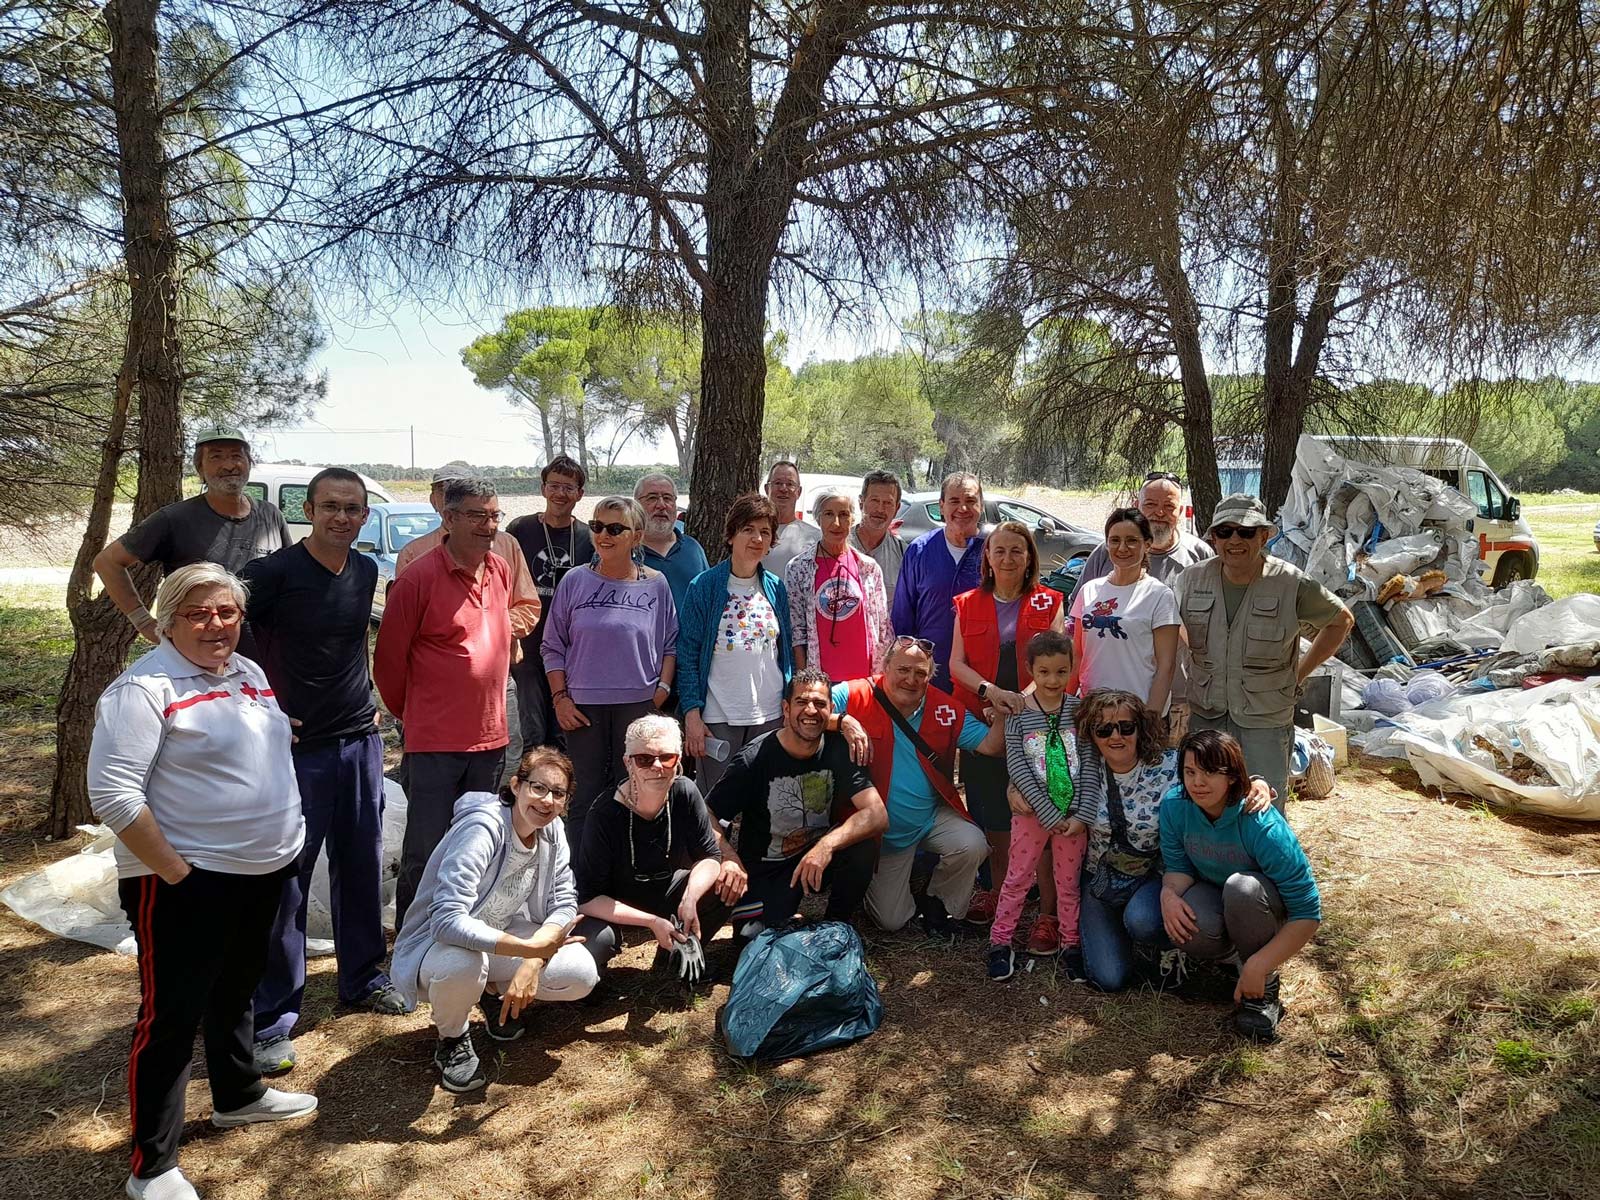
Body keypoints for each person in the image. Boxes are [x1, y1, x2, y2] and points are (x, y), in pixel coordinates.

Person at [89, 563, 316, 1200]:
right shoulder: (143, 689)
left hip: (262, 870)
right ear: (167, 622)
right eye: (197, 613)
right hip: (186, 878)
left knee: (236, 988)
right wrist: (176, 873)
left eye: (227, 612)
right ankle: (152, 1166)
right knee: (171, 1016)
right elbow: (113, 794)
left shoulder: (248, 672)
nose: (215, 625)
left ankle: (237, 1095)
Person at [243, 468, 403, 1080]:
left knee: (361, 863)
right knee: (289, 878)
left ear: (365, 516)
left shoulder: (363, 571)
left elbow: (353, 647)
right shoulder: (272, 574)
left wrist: (371, 709)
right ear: (308, 510)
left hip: (360, 740)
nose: (341, 517)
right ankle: (272, 1017)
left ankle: (363, 978)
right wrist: (263, 707)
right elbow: (226, 636)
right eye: (330, 506)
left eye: (352, 508)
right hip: (297, 748)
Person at [389, 747, 600, 1093]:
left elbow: (564, 901)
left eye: (558, 793)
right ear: (516, 785)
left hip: (502, 932)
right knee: (462, 965)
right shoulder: (482, 828)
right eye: (538, 787)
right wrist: (528, 949)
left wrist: (534, 959)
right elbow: (446, 920)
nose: (547, 801)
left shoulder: (553, 831)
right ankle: (452, 1039)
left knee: (580, 972)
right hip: (436, 945)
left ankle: (490, 993)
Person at [375, 477, 516, 929]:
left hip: (490, 739)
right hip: (435, 742)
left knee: (476, 844)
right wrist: (418, 715)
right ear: (449, 518)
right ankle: (415, 940)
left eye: (494, 516)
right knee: (427, 848)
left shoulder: (500, 570)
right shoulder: (417, 578)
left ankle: (464, 931)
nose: (489, 525)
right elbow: (388, 664)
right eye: (477, 515)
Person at [1073, 689, 1272, 993]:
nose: (1116, 736)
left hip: (1157, 874)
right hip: (1101, 878)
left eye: (1126, 727)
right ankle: (1129, 941)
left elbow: (1215, 774)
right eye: (1104, 729)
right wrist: (1015, 790)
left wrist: (1256, 782)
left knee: (1142, 920)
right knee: (1109, 978)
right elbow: (1040, 782)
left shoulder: (1169, 766)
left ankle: (1176, 947)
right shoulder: (1082, 772)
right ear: (1091, 733)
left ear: (1140, 728)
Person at [1174, 494, 1355, 805]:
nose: (1234, 540)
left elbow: (1341, 621)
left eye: (1245, 532)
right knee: (1204, 802)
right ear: (1213, 537)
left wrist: (1300, 674)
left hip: (1265, 720)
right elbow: (1173, 628)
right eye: (1225, 531)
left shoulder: (1290, 582)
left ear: (1264, 536)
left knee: (1261, 804)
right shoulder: (1190, 580)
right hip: (1207, 714)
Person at [833, 636, 1006, 934]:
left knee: (972, 844)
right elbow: (808, 711)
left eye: (920, 673)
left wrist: (1002, 713)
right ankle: (884, 885)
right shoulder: (854, 694)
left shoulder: (944, 708)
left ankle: (938, 902)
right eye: (903, 670)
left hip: (930, 817)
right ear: (885, 667)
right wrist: (842, 722)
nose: (911, 680)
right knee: (891, 921)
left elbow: (991, 745)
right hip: (882, 835)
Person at [1160, 729, 1322, 1040]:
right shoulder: (1174, 806)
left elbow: (1308, 911)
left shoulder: (1260, 823)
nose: (1197, 782)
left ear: (1233, 776)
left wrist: (1260, 964)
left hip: (1264, 905)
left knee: (1242, 888)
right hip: (1216, 896)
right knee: (1181, 919)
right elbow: (1178, 868)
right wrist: (1168, 895)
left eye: (1209, 772)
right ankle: (1233, 962)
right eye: (1190, 772)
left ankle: (1264, 989)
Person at [706, 667, 887, 938]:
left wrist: (826, 845)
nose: (811, 710)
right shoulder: (754, 759)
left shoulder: (838, 748)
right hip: (767, 868)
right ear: (786, 708)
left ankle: (836, 923)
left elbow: (877, 814)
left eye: (819, 704)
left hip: (817, 855)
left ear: (831, 710)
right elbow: (707, 813)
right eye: (801, 702)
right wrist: (729, 858)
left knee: (862, 846)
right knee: (753, 939)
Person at [949, 520, 1066, 938]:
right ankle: (997, 893)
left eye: (1017, 550)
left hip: (1035, 720)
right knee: (993, 812)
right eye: (999, 550)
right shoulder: (966, 603)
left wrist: (1018, 702)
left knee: (1042, 809)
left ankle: (1048, 911)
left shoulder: (1050, 601)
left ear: (1030, 557)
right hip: (981, 720)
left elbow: (1056, 663)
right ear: (988, 557)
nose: (1008, 558)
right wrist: (991, 693)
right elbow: (956, 664)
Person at [541, 495, 678, 852]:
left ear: (637, 536)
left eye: (615, 528)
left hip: (638, 707)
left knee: (633, 791)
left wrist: (662, 689)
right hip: (582, 709)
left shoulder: (657, 584)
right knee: (584, 796)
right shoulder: (574, 581)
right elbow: (552, 646)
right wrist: (560, 698)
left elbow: (670, 644)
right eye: (597, 526)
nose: (603, 535)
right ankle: (580, 872)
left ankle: (626, 869)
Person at [94, 424, 291, 646]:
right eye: (216, 457)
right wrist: (144, 622)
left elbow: (291, 574)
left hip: (265, 651)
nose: (229, 465)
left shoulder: (270, 515)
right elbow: (107, 562)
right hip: (199, 651)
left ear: (248, 463)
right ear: (200, 469)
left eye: (236, 456)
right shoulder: (174, 519)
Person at [574, 715, 730, 976]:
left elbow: (710, 857)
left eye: (667, 757)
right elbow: (587, 898)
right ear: (628, 763)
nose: (657, 766)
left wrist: (691, 898)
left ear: (678, 761)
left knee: (725, 881)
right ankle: (593, 981)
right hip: (614, 906)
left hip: (668, 892)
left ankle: (673, 959)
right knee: (594, 945)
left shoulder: (685, 792)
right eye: (644, 759)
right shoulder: (604, 813)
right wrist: (651, 921)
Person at [987, 631, 1099, 981]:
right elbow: (1018, 765)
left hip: (1073, 819)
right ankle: (1000, 941)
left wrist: (1082, 814)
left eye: (1061, 672)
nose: (1053, 680)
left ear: (1072, 668)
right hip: (1032, 816)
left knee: (1068, 883)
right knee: (1018, 877)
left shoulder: (1079, 712)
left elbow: (1089, 762)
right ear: (1030, 670)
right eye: (1044, 672)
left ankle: (1071, 944)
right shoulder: (1019, 713)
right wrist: (1047, 812)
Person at [1077, 473, 1213, 742]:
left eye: (1169, 506)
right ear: (1138, 505)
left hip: (1172, 699)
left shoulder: (1198, 557)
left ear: (1181, 511)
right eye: (1151, 504)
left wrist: (1151, 717)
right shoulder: (1099, 563)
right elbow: (1078, 645)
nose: (1159, 513)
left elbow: (1172, 659)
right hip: (1094, 706)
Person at [677, 493, 794, 793]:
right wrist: (692, 713)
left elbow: (786, 654)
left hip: (769, 716)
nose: (757, 538)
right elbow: (687, 654)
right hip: (719, 717)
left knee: (763, 801)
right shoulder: (704, 586)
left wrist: (789, 702)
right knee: (715, 802)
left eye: (765, 532)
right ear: (731, 536)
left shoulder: (776, 588)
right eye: (748, 529)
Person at [506, 455, 594, 752]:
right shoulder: (520, 529)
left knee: (564, 731)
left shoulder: (588, 537)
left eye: (568, 487)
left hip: (571, 649)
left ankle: (563, 780)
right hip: (528, 647)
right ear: (543, 489)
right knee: (531, 731)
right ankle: (531, 779)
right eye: (554, 485)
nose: (560, 494)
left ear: (580, 494)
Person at [1070, 508, 1180, 716]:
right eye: (1115, 540)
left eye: (1131, 540)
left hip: (1137, 712)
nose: (1122, 548)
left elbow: (1166, 666)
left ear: (1147, 544)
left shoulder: (1159, 595)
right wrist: (1064, 708)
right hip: (1091, 710)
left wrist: (1151, 718)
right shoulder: (1088, 590)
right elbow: (1077, 656)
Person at [785, 487, 892, 684]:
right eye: (829, 514)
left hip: (864, 680)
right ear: (818, 519)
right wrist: (804, 682)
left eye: (843, 515)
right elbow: (797, 632)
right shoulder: (799, 568)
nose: (836, 523)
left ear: (853, 519)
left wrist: (880, 680)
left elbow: (884, 629)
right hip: (821, 681)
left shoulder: (868, 568)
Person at [891, 471, 985, 692]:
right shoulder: (920, 550)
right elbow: (903, 615)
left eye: (970, 501)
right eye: (954, 501)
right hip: (930, 673)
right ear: (941, 506)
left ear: (981, 506)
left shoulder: (994, 551)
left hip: (981, 677)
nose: (962, 508)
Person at [635, 472, 710, 610]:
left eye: (667, 498)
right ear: (636, 505)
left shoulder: (693, 548)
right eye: (652, 498)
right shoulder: (622, 551)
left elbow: (708, 598)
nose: (661, 505)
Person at [850, 469, 906, 596]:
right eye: (874, 500)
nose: (880, 509)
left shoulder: (904, 554)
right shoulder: (838, 546)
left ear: (897, 508)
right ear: (861, 502)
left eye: (888, 503)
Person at [762, 460, 821, 576]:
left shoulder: (815, 537)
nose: (783, 489)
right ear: (767, 489)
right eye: (778, 483)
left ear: (799, 492)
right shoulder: (753, 534)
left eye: (790, 484)